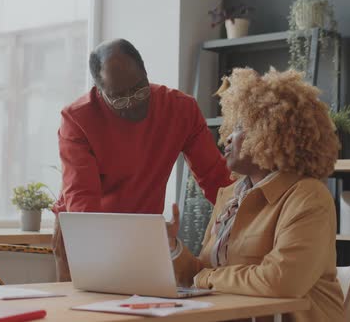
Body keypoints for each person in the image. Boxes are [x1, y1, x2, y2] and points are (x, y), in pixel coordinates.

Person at [167, 68, 344, 321]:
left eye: (239, 127)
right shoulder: (229, 196)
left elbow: (281, 281)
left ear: (271, 133)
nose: (226, 138)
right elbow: (200, 274)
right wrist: (172, 247)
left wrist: (206, 278)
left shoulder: (308, 197)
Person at [52, 39, 233, 281]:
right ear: (98, 89)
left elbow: (216, 178)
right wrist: (111, 249)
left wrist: (251, 217)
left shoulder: (181, 109)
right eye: (118, 97)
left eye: (139, 89)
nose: (132, 103)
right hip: (85, 231)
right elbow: (83, 203)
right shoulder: (77, 119)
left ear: (146, 73)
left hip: (144, 228)